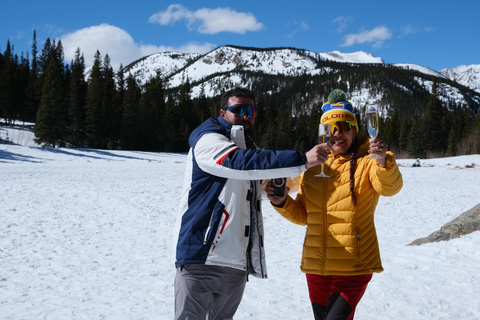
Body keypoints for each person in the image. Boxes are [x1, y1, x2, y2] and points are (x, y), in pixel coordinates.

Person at [173, 87, 328, 320]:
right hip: (201, 256)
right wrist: (302, 160)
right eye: (239, 110)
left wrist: (280, 190)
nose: (246, 115)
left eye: (251, 110)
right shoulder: (208, 139)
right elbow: (237, 163)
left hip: (236, 262)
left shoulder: (248, 148)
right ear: (223, 112)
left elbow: (256, 176)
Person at [267, 89, 403, 320]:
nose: (337, 134)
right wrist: (282, 202)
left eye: (343, 127)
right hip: (316, 266)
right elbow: (304, 216)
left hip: (354, 263)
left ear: (353, 130)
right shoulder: (312, 167)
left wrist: (383, 161)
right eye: (330, 129)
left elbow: (390, 188)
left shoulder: (368, 161)